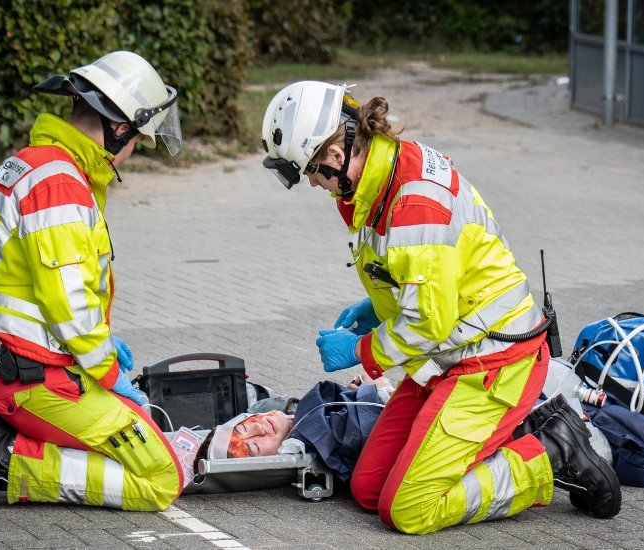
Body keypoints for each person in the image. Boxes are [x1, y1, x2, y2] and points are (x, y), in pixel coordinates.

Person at [260, 81, 621, 535]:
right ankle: (482, 444)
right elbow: (421, 275)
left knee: (409, 508)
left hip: (493, 364)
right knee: (369, 489)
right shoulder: (381, 175)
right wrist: (379, 306)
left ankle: (550, 452)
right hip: (446, 360)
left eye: (311, 170)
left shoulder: (412, 201)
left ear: (334, 152)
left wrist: (360, 351)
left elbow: (429, 322)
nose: (313, 182)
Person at [0, 51, 185, 512]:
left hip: (7, 362)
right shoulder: (61, 184)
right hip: (30, 376)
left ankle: (0, 433)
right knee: (161, 475)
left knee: (125, 437)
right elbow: (67, 300)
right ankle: (3, 454)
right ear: (120, 127)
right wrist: (108, 372)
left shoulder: (30, 165)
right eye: (136, 141)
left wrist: (99, 342)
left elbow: (32, 285)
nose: (132, 155)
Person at [193, 374, 393, 480]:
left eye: (245, 428)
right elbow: (362, 431)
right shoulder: (318, 437)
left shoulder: (293, 415)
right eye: (254, 447)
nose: (260, 429)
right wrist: (376, 391)